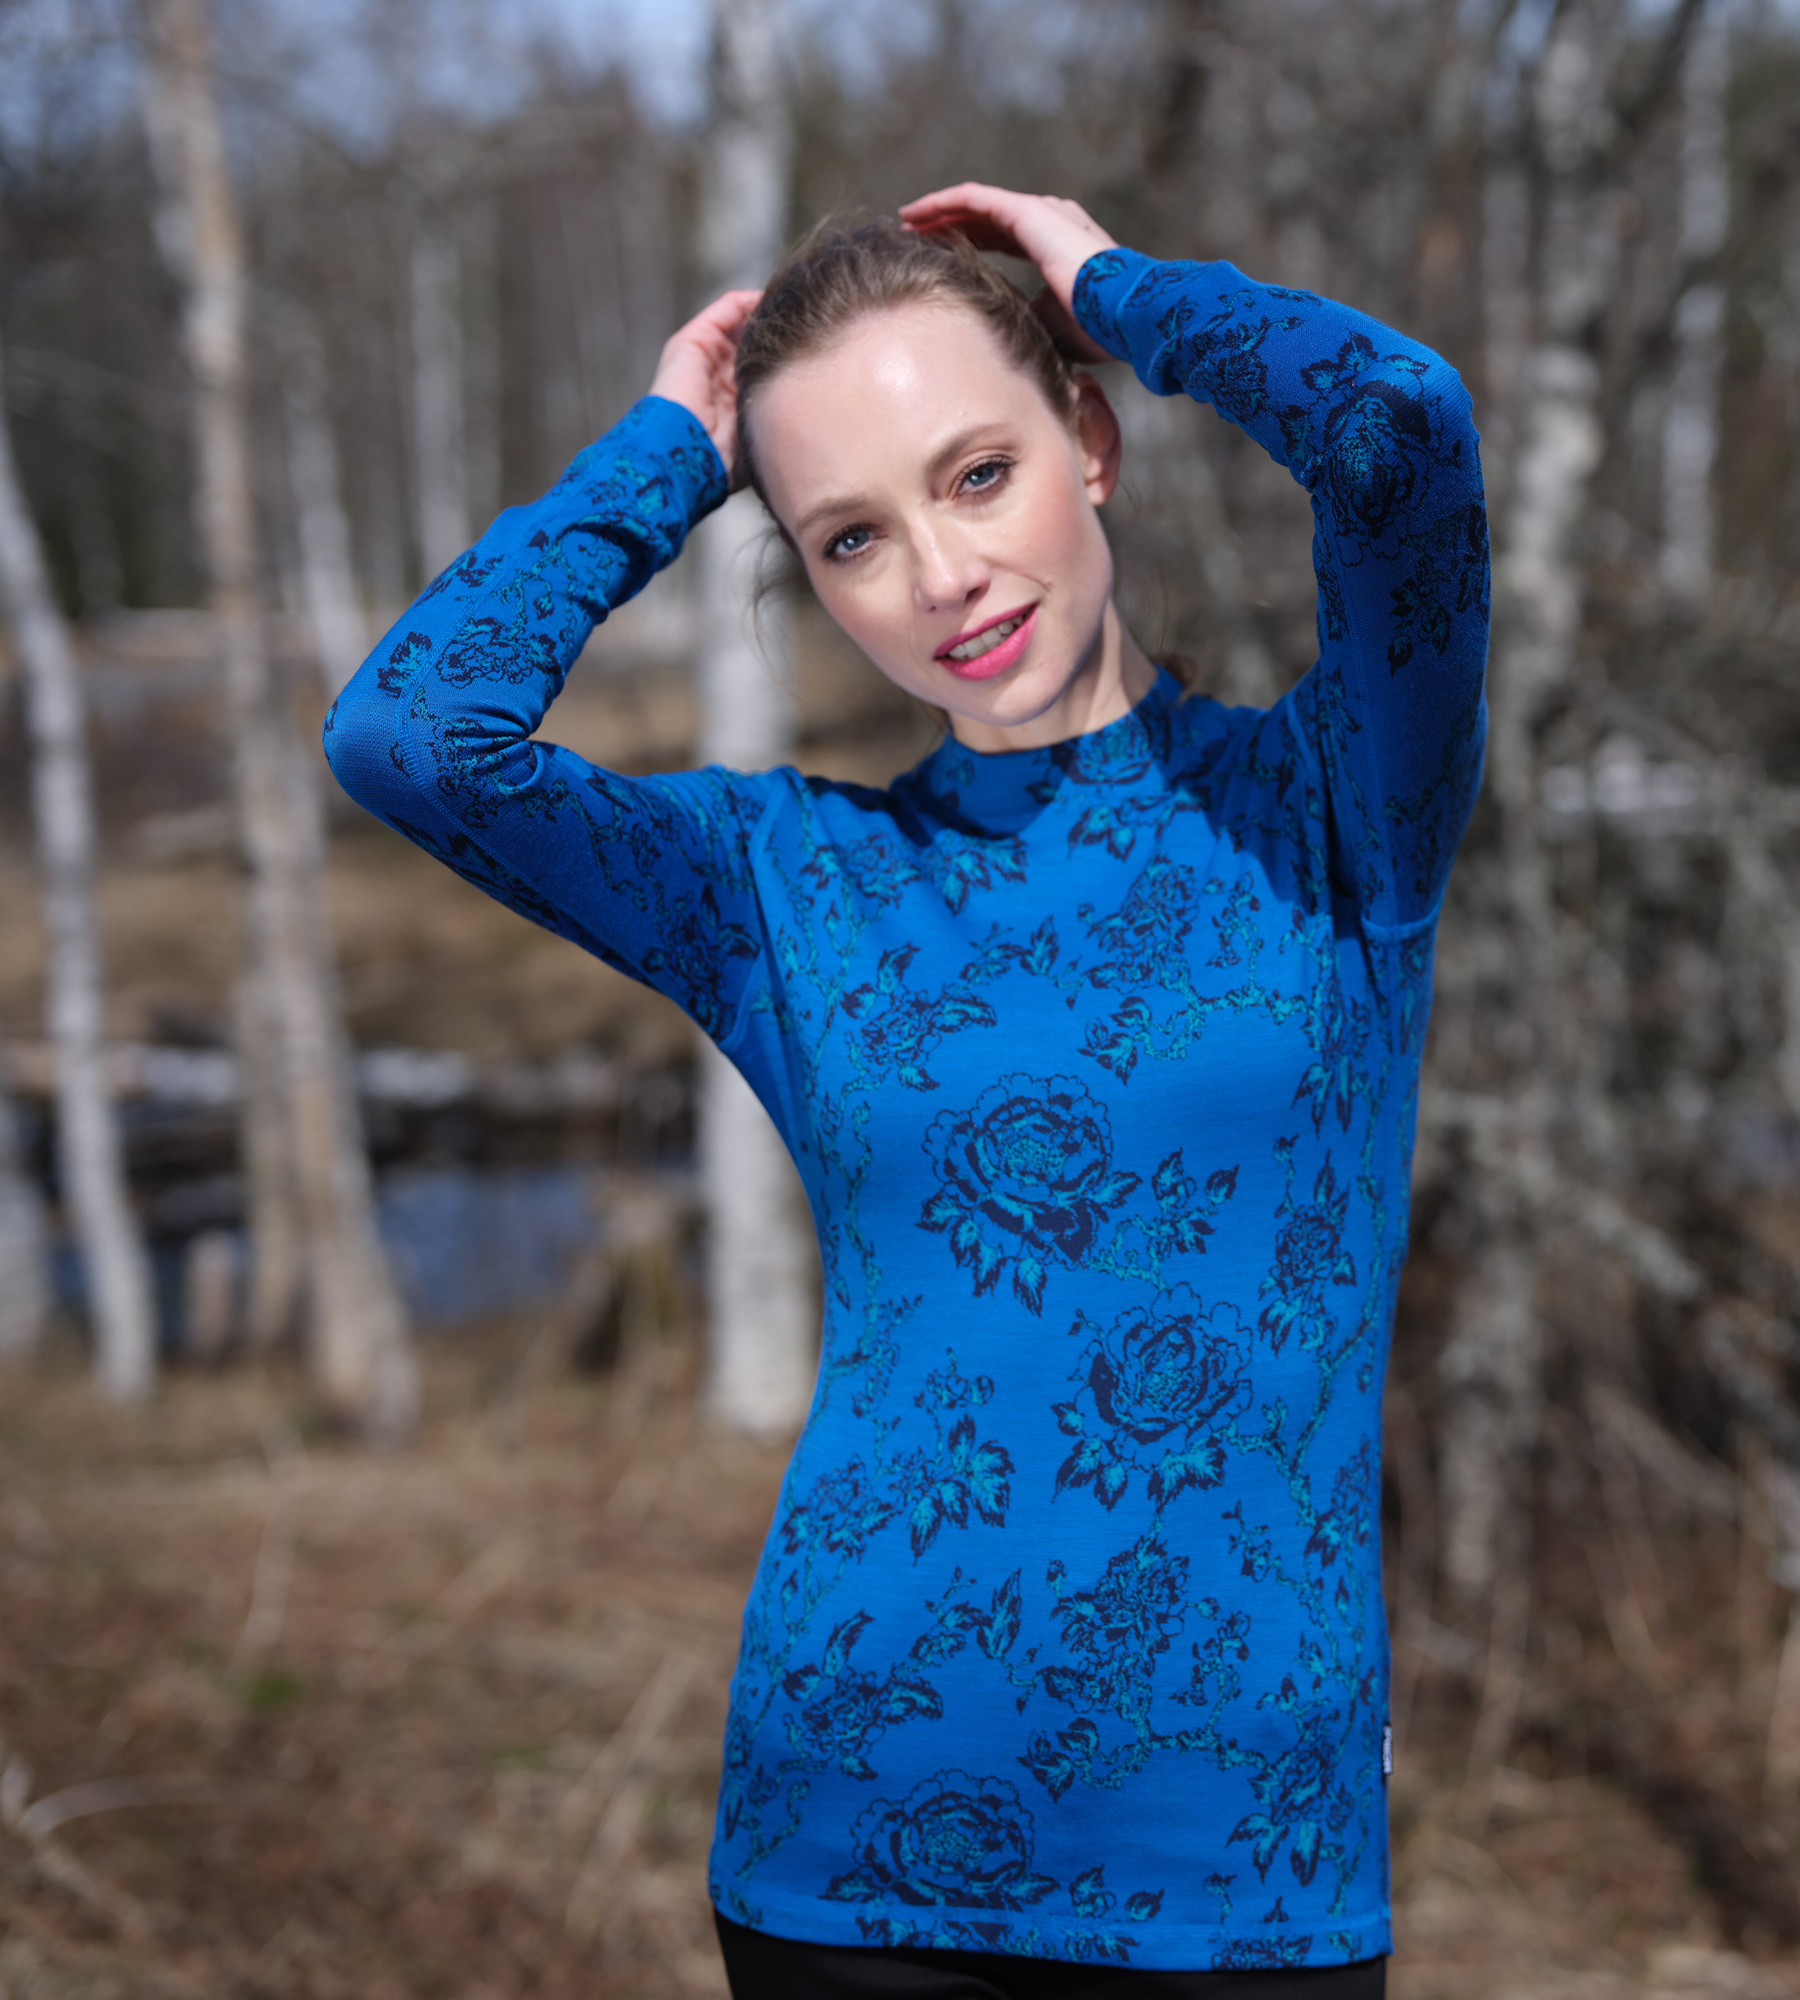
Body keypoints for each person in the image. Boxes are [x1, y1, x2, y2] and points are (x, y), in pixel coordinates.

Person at [326, 182, 1489, 1998]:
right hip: (847, 1856)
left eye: (978, 475)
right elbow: (411, 735)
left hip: (1242, 1869)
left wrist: (1118, 288)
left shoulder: (1337, 816)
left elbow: (1399, 428)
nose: (941, 578)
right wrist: (665, 457)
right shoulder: (785, 885)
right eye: (851, 537)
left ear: (1091, 440)